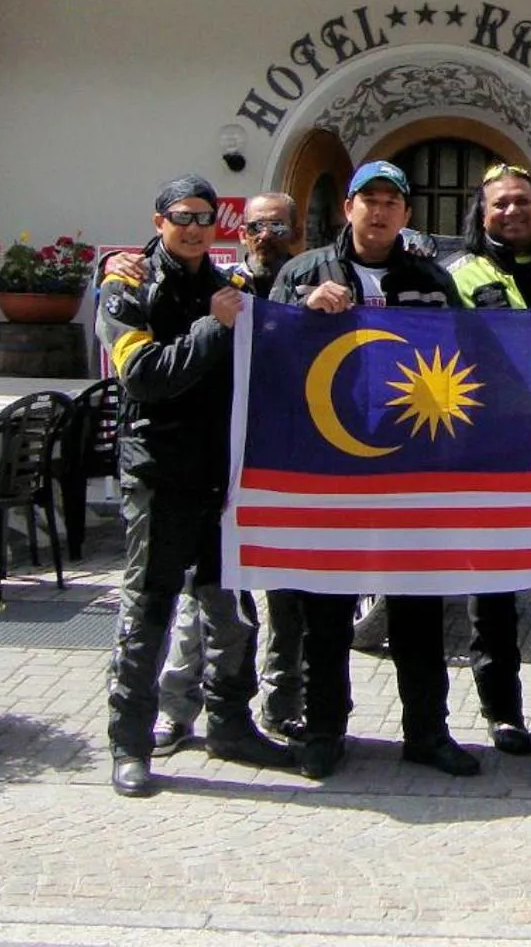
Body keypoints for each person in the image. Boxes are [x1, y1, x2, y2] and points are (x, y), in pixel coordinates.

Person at [267, 160, 473, 781]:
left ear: (408, 214)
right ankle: (326, 729)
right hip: (329, 469)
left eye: (392, 201)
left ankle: (427, 733)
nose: (379, 211)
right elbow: (264, 353)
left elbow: (469, 358)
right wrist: (303, 311)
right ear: (347, 209)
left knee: (417, 609)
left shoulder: (432, 279)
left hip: (412, 471)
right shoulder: (302, 272)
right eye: (368, 199)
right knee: (325, 610)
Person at [99, 174, 295, 798]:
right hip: (159, 474)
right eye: (180, 215)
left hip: (221, 476)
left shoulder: (225, 283)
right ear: (158, 221)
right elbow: (146, 377)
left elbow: (271, 327)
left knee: (231, 610)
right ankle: (130, 746)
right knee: (148, 611)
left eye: (204, 217)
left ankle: (231, 727)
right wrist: (213, 327)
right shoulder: (125, 283)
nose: (192, 226)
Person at [151, 192, 308, 752]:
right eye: (258, 226)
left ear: (297, 232)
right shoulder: (218, 289)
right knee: (207, 599)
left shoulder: (307, 288)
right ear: (242, 234)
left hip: (285, 465)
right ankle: (177, 709)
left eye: (279, 227)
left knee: (289, 599)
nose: (268, 235)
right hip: (218, 466)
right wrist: (110, 264)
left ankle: (281, 705)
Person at [441, 161, 531, 756]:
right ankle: (502, 711)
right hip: (487, 446)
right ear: (481, 215)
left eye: (524, 202)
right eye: (500, 205)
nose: (513, 212)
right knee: (491, 587)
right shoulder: (456, 274)